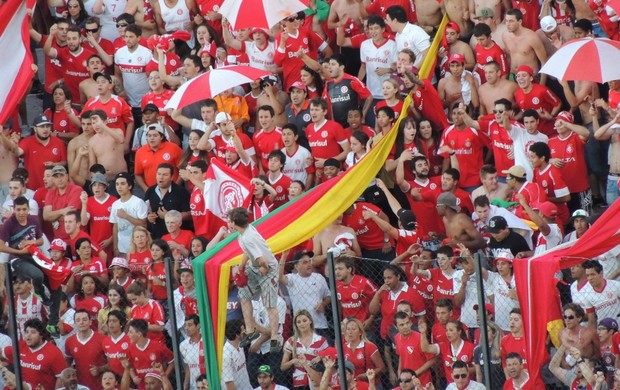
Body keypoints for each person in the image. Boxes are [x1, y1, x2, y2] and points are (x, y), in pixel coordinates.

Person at [229, 207, 282, 353]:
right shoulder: (245, 231)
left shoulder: (247, 237)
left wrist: (263, 269)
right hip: (255, 266)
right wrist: (241, 266)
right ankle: (250, 329)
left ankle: (274, 338)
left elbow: (262, 259)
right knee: (243, 295)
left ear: (234, 223)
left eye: (229, 221)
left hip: (268, 268)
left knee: (270, 304)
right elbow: (248, 252)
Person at [0, 318, 67, 390]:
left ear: (41, 335)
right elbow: (1, 353)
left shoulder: (54, 352)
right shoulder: (21, 346)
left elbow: (61, 378)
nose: (28, 335)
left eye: (33, 332)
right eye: (27, 332)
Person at [279, 250, 331, 339]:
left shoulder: (319, 277)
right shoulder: (292, 279)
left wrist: (323, 304)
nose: (309, 264)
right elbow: (279, 277)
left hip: (320, 325)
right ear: (296, 266)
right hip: (301, 327)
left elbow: (328, 296)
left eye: (309, 261)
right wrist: (284, 257)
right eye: (305, 262)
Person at [13, 115, 67, 190]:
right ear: (35, 129)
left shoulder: (59, 142)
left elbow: (64, 162)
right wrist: (15, 144)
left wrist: (54, 164)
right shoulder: (27, 142)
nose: (45, 129)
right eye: (42, 127)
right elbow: (17, 153)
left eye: (47, 126)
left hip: (53, 189)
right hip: (32, 188)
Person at [280, 310, 329, 388]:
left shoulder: (321, 340)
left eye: (304, 320)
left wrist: (320, 356)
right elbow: (283, 367)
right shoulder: (291, 341)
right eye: (298, 322)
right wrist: (293, 361)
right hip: (299, 381)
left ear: (310, 321)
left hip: (316, 379)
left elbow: (329, 362)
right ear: (296, 325)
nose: (302, 324)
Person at [65, 309, 107, 389]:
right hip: (80, 386)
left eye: (84, 319)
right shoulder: (69, 341)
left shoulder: (103, 339)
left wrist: (100, 369)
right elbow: (67, 363)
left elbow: (112, 363)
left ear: (90, 321)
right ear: (75, 323)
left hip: (100, 385)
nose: (81, 322)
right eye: (78, 320)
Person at [125, 318, 174, 387]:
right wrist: (134, 377)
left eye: (130, 332)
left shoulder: (158, 346)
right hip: (142, 387)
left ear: (139, 334)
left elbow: (172, 361)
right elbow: (129, 366)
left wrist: (164, 376)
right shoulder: (130, 349)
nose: (128, 334)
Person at [392, 311, 436, 387]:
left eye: (407, 323)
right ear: (396, 326)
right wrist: (399, 371)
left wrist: (415, 373)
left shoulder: (420, 338)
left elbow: (432, 360)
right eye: (402, 325)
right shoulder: (397, 338)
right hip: (407, 383)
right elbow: (401, 356)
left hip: (423, 381)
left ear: (411, 323)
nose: (405, 326)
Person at [110, 173, 148, 257]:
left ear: (130, 186)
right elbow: (115, 227)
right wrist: (115, 247)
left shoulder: (138, 202)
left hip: (137, 248)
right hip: (121, 249)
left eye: (123, 184)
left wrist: (126, 216)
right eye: (117, 184)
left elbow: (144, 224)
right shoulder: (115, 204)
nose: (119, 187)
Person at [43, 165, 83, 241]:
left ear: (67, 176)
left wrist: (53, 216)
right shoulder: (50, 193)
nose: (59, 179)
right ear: (53, 179)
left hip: (75, 238)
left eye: (62, 176)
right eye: (56, 177)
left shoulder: (76, 190)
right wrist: (62, 211)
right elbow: (46, 216)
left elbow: (71, 215)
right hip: (58, 240)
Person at [581, 259, 620, 324]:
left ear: (601, 273)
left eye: (592, 274)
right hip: (604, 330)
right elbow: (592, 320)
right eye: (587, 275)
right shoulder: (587, 294)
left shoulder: (616, 286)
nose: (590, 278)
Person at [221, 318, 253, 389]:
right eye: (242, 330)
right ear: (237, 335)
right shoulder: (226, 355)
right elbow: (229, 383)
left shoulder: (240, 346)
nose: (245, 331)